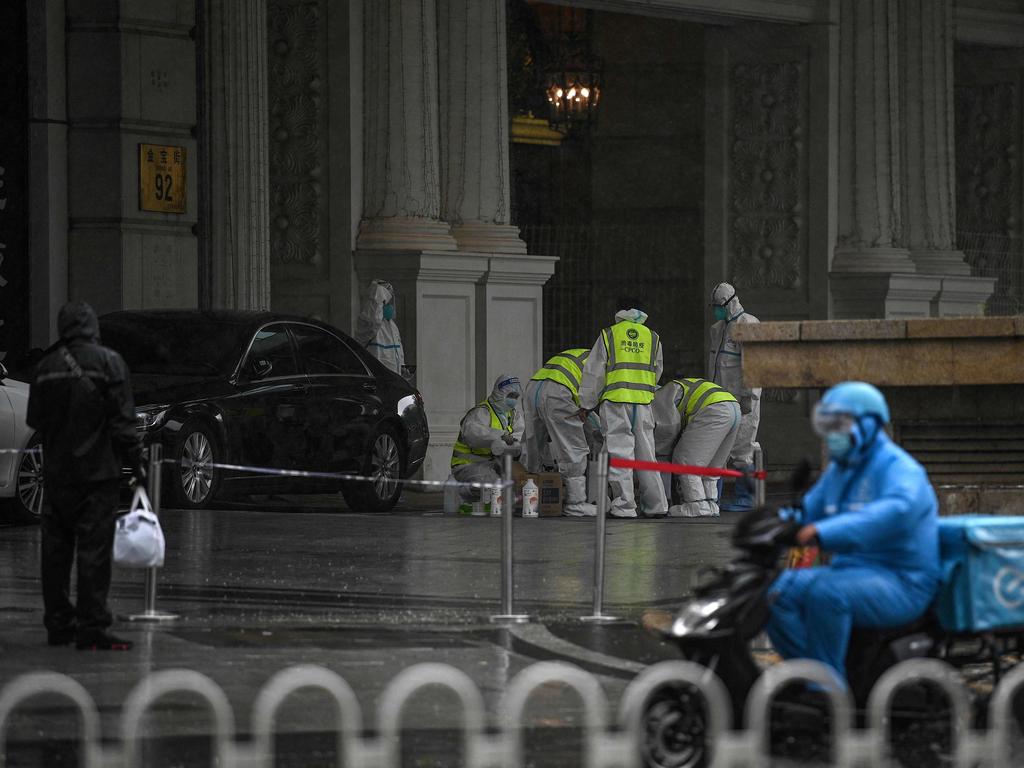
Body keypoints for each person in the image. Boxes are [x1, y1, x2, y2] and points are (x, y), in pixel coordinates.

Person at [765, 381, 940, 683]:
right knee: (776, 592)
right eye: (827, 424)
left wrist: (822, 532)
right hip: (851, 572)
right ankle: (809, 672)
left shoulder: (899, 468)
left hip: (902, 581)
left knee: (827, 594)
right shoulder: (841, 469)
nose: (833, 434)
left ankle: (827, 688)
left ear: (869, 424)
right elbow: (810, 510)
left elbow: (891, 512)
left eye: (840, 425)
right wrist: (773, 524)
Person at [27, 302, 145, 651]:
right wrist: (137, 466)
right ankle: (92, 625)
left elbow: (36, 421)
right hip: (98, 475)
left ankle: (59, 624)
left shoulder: (45, 368)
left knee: (55, 553)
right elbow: (123, 424)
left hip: (58, 475)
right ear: (93, 327)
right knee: (93, 553)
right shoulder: (110, 363)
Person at [579, 308, 668, 518]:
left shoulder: (609, 334)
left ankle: (625, 506)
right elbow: (657, 371)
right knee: (646, 455)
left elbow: (594, 372)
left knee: (620, 454)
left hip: (617, 401)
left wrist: (587, 402)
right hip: (644, 403)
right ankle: (656, 506)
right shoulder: (652, 337)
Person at [522, 349, 597, 517]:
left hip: (533, 388)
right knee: (573, 448)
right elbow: (593, 402)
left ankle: (529, 498)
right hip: (559, 391)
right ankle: (575, 503)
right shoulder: (606, 363)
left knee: (533, 445)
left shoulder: (582, 354)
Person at [708, 282, 761, 511]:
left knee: (743, 449)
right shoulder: (718, 329)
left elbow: (754, 366)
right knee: (716, 449)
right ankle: (712, 498)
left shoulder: (748, 325)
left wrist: (749, 397)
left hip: (742, 401)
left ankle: (746, 498)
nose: (716, 310)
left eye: (719, 306)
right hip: (720, 401)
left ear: (730, 303)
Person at [653, 378, 741, 517]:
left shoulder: (658, 397)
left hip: (714, 409)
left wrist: (660, 452)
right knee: (712, 466)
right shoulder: (677, 386)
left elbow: (667, 430)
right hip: (734, 407)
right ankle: (711, 503)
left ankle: (696, 504)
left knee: (685, 460)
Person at [450, 373, 523, 499]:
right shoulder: (481, 412)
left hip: (494, 465)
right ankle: (465, 492)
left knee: (519, 484)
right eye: (511, 395)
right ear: (499, 393)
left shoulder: (513, 414)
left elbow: (521, 435)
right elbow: (473, 435)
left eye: (516, 396)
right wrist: (500, 436)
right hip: (468, 465)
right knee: (494, 488)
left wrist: (514, 443)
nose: (514, 400)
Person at [355, 279, 405, 375]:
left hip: (394, 378)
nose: (390, 306)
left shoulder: (392, 326)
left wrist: (402, 367)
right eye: (385, 303)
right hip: (377, 378)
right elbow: (374, 316)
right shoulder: (368, 325)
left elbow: (399, 352)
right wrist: (379, 291)